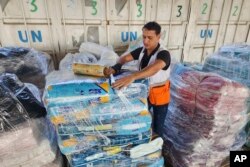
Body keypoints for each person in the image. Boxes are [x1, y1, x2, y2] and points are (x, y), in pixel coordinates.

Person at [104, 21, 171, 138]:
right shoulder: (141, 51)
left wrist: (132, 76)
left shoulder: (164, 54)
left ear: (158, 37)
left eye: (150, 38)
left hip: (160, 95)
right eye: (144, 37)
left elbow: (154, 68)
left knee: (158, 126)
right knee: (141, 120)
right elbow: (123, 59)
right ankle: (143, 143)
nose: (145, 41)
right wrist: (116, 68)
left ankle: (158, 149)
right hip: (145, 92)